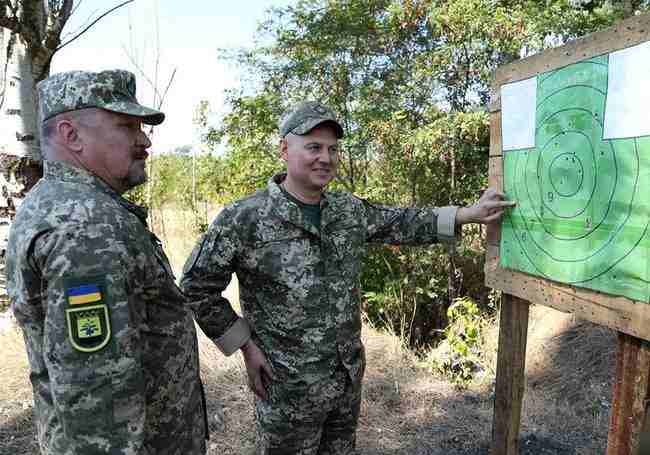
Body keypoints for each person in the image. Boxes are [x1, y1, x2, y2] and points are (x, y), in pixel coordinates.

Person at [180, 101, 515, 454]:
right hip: (286, 390)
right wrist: (245, 346)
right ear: (284, 149)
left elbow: (402, 221)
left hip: (345, 381)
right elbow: (196, 287)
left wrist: (468, 214)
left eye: (332, 149)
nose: (325, 157)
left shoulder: (347, 211)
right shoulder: (244, 218)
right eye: (313, 147)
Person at [6, 70, 208, 454]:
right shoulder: (85, 228)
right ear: (71, 135)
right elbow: (97, 397)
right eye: (126, 126)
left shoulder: (64, 205)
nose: (144, 140)